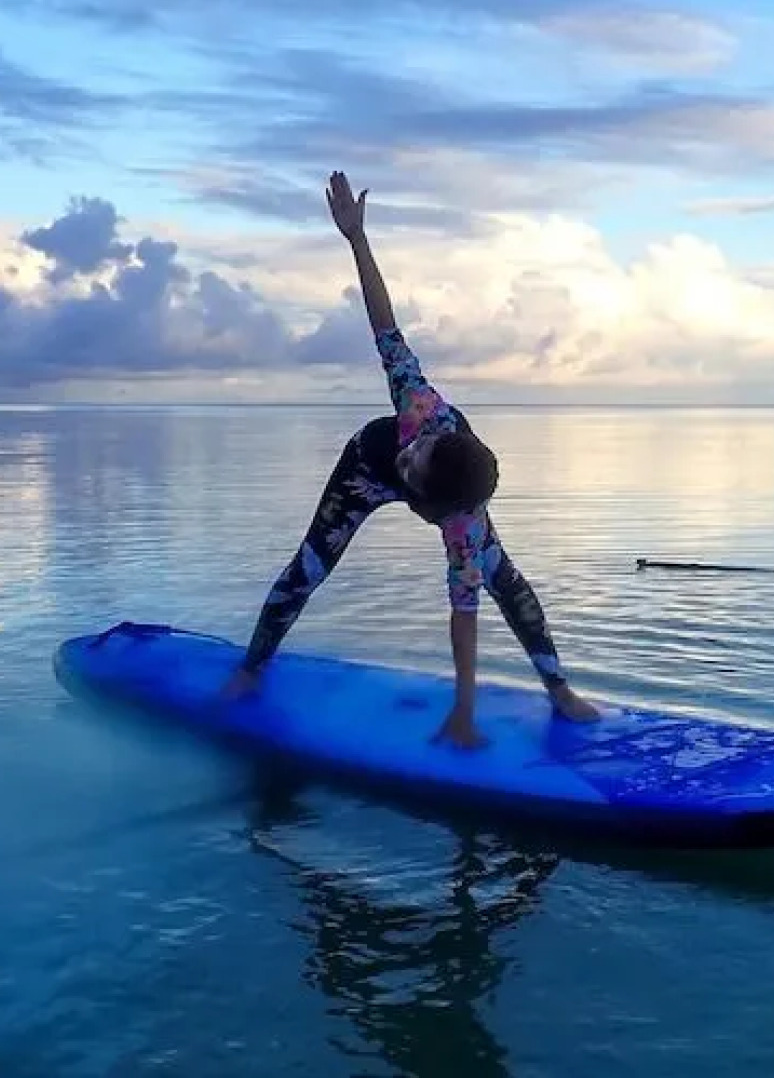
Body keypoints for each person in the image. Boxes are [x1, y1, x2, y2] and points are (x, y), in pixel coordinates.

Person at [220, 171, 600, 748]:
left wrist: (465, 711)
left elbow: (464, 615)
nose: (412, 454)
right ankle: (250, 671)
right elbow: (384, 322)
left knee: (505, 582)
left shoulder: (462, 524)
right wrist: (357, 240)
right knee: (308, 570)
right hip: (360, 471)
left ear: (433, 507)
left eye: (415, 468)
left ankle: (559, 691)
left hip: (455, 503)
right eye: (418, 450)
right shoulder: (420, 409)